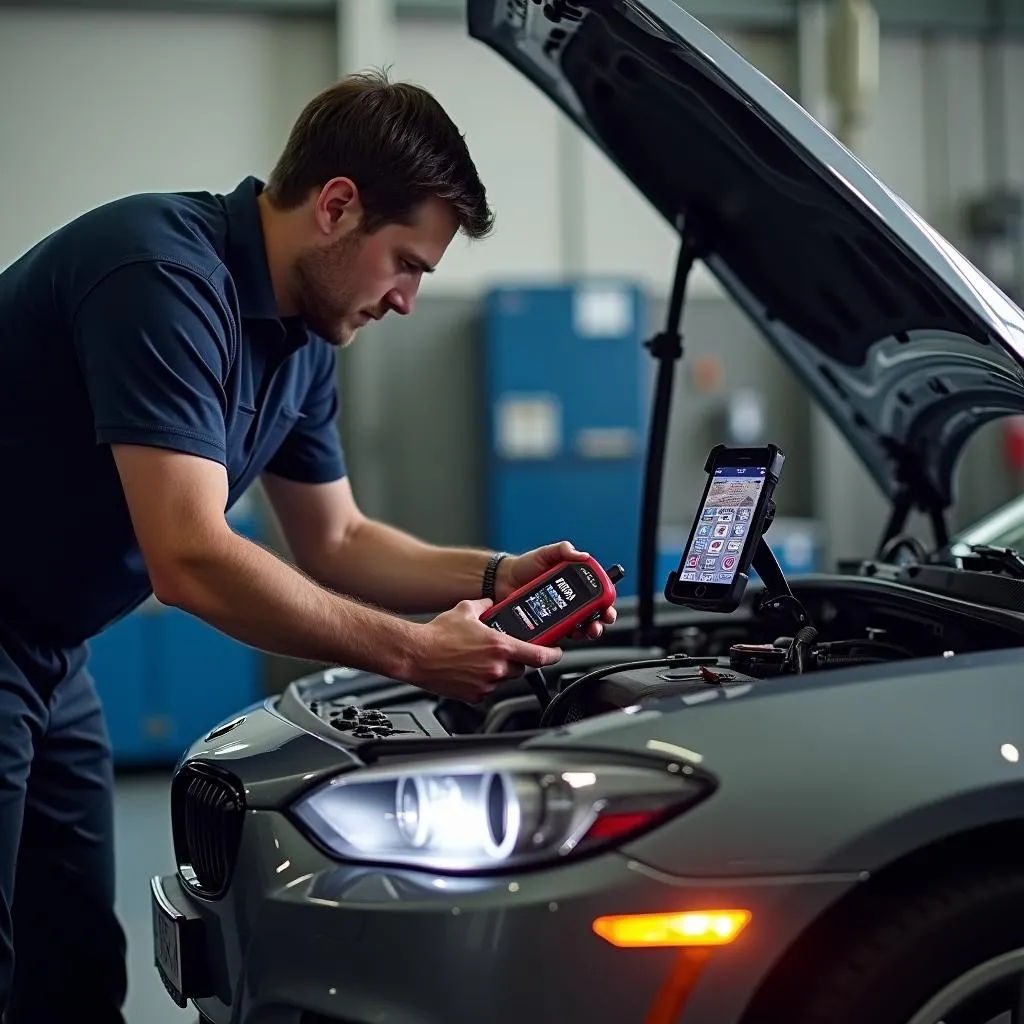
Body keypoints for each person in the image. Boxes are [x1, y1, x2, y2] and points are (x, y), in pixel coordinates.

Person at [0, 69, 616, 1023]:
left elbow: (339, 538)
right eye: (407, 262)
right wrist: (415, 652)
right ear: (337, 206)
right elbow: (190, 557)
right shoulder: (162, 276)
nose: (409, 298)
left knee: (74, 960)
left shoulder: (303, 343)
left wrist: (497, 573)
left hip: (51, 648)